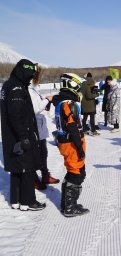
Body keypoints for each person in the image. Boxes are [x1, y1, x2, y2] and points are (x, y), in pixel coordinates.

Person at [0, 59, 46, 211]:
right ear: (24, 72)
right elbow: (15, 114)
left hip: (11, 135)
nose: (31, 78)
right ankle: (28, 201)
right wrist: (23, 137)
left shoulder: (8, 85)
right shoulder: (17, 88)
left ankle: (16, 200)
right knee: (28, 168)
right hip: (21, 133)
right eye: (30, 74)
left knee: (17, 168)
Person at [52, 73, 89, 217]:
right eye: (78, 86)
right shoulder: (68, 104)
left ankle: (67, 204)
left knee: (74, 171)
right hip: (72, 143)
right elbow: (72, 126)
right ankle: (69, 207)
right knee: (77, 173)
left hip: (68, 141)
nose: (79, 90)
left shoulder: (62, 101)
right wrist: (79, 148)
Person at [29, 75, 60, 190]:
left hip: (40, 123)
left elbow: (38, 105)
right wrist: (47, 100)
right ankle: (33, 179)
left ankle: (45, 175)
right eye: (36, 77)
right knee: (34, 152)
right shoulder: (28, 90)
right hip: (34, 123)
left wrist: (45, 103)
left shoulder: (34, 89)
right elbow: (35, 108)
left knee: (43, 151)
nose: (38, 79)